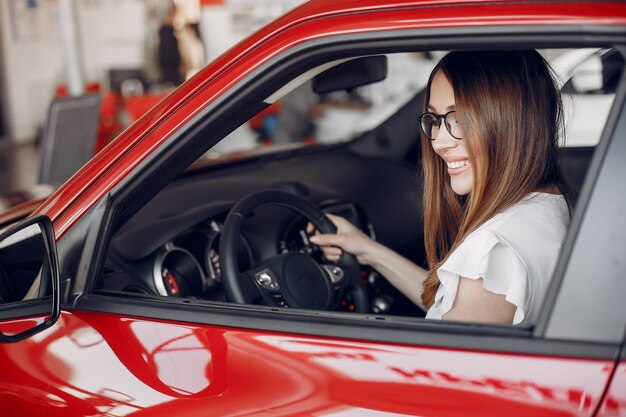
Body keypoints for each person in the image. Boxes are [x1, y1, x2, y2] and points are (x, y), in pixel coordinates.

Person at [309, 50, 576, 325]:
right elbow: (451, 302)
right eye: (435, 120)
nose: (438, 142)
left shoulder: (493, 250)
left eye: (458, 118)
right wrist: (368, 251)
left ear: (513, 120)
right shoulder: (548, 202)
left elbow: (444, 364)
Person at [158, 4, 184, 87]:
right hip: (171, 66)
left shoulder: (166, 31)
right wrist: (178, 62)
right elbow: (171, 51)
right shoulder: (167, 32)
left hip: (169, 65)